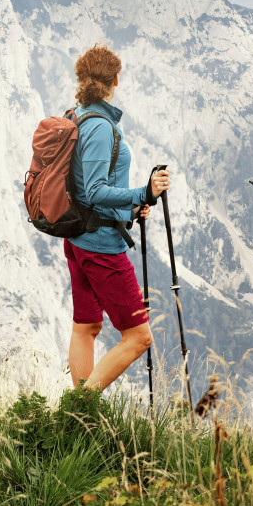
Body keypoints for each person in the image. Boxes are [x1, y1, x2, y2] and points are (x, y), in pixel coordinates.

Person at [65, 43, 171, 391]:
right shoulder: (99, 127)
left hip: (79, 238)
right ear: (115, 80)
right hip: (100, 247)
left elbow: (87, 187)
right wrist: (143, 194)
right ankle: (79, 408)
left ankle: (79, 416)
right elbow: (96, 190)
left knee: (86, 326)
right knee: (139, 337)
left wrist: (130, 209)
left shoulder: (79, 115)